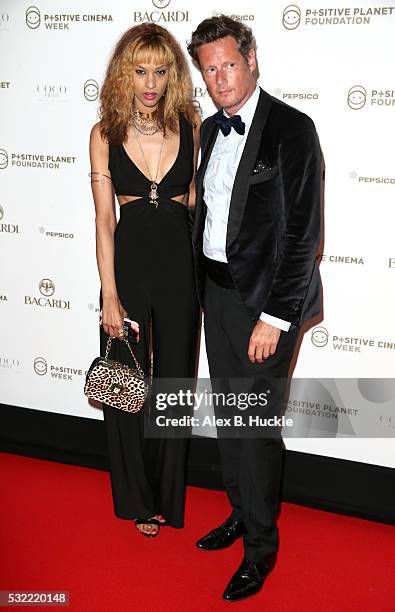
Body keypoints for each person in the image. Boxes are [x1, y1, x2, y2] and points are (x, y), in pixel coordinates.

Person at [187, 15, 323, 602]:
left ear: (252, 60)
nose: (220, 78)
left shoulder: (292, 130)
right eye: (209, 69)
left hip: (267, 305)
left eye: (229, 64)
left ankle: (261, 551)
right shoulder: (208, 131)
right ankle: (241, 514)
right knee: (229, 418)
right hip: (215, 294)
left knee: (258, 429)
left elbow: (303, 237)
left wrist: (276, 316)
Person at [89, 23, 200, 538]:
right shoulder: (104, 133)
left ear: (172, 72)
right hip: (129, 267)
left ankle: (167, 495)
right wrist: (109, 293)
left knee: (174, 382)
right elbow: (105, 220)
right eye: (140, 70)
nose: (150, 82)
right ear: (123, 73)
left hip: (180, 266)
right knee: (125, 383)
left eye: (160, 70)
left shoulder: (191, 123)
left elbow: (198, 204)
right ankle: (136, 498)